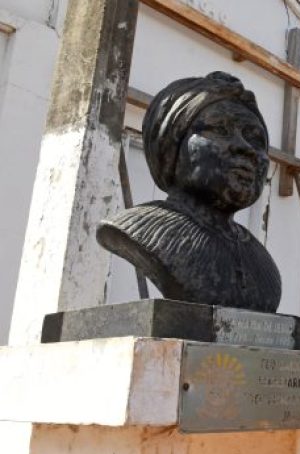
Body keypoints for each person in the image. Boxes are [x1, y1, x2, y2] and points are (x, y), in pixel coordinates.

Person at [97, 71, 282, 312]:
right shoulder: (141, 230)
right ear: (171, 147)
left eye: (255, 139)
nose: (246, 148)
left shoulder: (262, 263)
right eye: (220, 130)